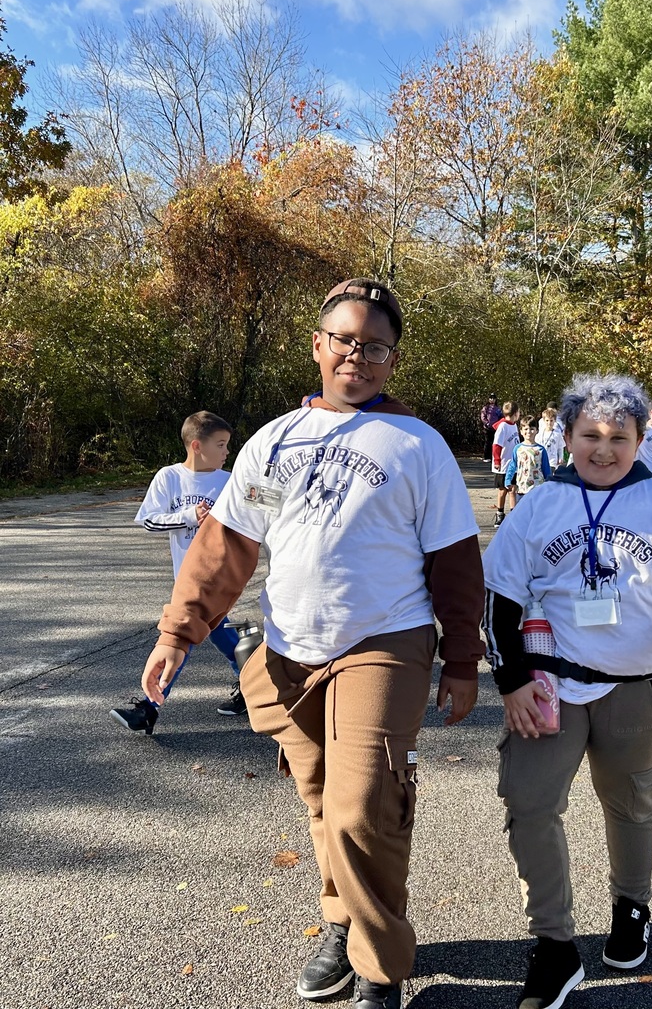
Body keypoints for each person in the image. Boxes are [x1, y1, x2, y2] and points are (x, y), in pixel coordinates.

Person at [139, 278, 485, 1009]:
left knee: (367, 807)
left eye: (376, 346)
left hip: (383, 640)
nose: (359, 354)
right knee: (324, 800)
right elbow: (228, 545)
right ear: (319, 346)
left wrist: (461, 659)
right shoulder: (274, 440)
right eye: (346, 340)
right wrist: (180, 630)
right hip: (291, 646)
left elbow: (455, 563)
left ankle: (380, 967)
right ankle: (342, 918)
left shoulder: (417, 445)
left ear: (392, 359)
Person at [481, 373, 652, 1009]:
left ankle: (631, 906)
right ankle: (556, 947)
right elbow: (499, 601)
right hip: (547, 689)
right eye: (589, 435)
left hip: (633, 690)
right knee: (531, 806)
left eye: (618, 436)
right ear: (566, 437)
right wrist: (509, 681)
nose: (603, 448)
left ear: (641, 439)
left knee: (632, 806)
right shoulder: (539, 503)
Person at [110, 411, 242, 735]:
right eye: (221, 445)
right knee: (218, 632)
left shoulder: (229, 481)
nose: (227, 452)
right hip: (185, 576)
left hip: (217, 577)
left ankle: (149, 708)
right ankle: (255, 685)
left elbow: (251, 522)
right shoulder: (169, 478)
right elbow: (149, 519)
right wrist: (188, 516)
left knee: (181, 636)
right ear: (197, 446)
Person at [506, 415, 552, 497]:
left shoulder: (541, 449)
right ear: (521, 431)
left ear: (537, 430)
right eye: (526, 429)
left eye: (532, 429)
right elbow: (512, 465)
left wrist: (549, 484)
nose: (529, 432)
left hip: (538, 489)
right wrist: (508, 480)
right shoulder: (518, 448)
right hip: (522, 488)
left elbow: (546, 468)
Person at [493, 401, 521, 526]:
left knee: (512, 490)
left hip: (514, 465)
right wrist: (497, 460)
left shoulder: (514, 425)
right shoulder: (503, 426)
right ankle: (500, 514)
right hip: (503, 465)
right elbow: (496, 445)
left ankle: (514, 515)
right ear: (515, 413)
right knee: (502, 490)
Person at [480, 394, 502, 461]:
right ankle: (487, 457)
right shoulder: (486, 408)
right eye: (491, 398)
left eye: (493, 398)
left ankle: (493, 456)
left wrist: (498, 424)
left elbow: (501, 417)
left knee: (494, 442)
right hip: (487, 428)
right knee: (487, 442)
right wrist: (486, 423)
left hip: (495, 428)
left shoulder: (497, 409)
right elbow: (483, 416)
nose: (492, 400)